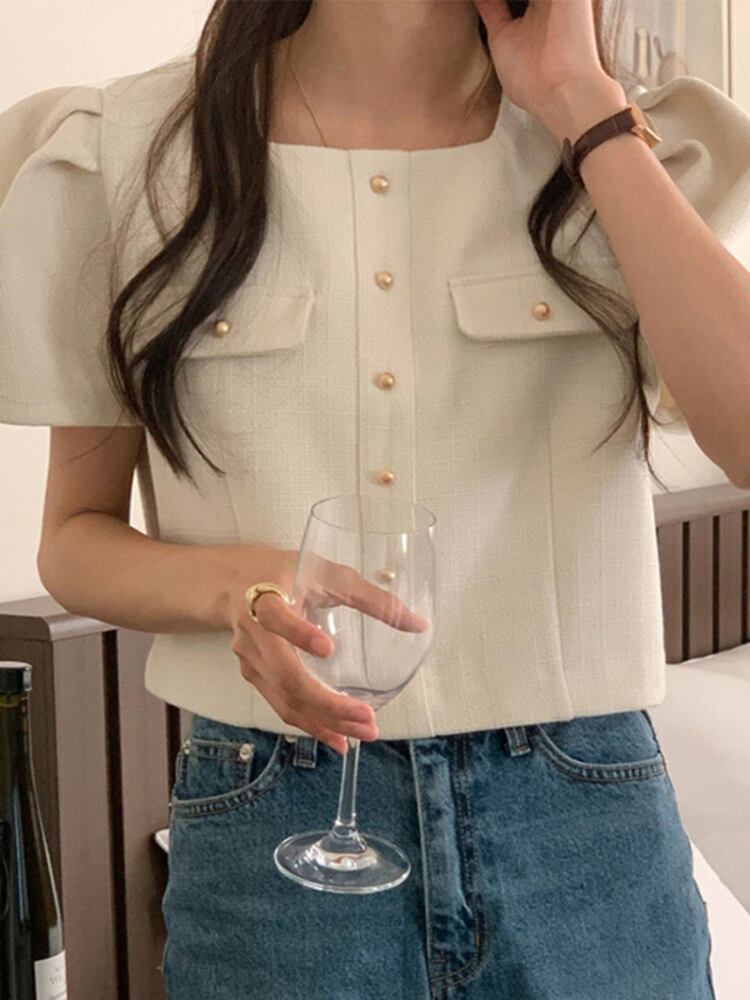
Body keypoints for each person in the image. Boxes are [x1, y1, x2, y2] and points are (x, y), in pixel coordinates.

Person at [2, 1, 749, 997]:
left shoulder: (623, 134)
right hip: (273, 823)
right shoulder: (126, 153)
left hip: (586, 823)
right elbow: (72, 539)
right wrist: (237, 587)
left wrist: (580, 102)